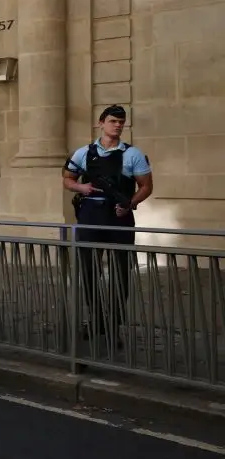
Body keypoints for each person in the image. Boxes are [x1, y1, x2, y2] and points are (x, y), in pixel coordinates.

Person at [62, 104, 153, 344]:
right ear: (101, 123)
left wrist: (130, 203)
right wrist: (81, 187)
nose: (118, 125)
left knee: (121, 272)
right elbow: (68, 179)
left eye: (121, 122)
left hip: (119, 217)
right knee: (88, 270)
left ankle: (114, 325)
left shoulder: (133, 154)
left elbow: (146, 186)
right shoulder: (83, 153)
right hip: (90, 216)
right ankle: (96, 321)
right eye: (113, 121)